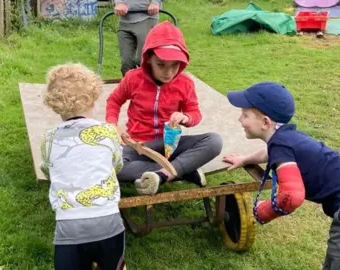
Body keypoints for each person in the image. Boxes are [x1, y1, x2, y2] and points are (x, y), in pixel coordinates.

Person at [222, 82, 340, 270]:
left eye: (245, 115)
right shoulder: (285, 139)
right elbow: (269, 153)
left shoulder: (282, 145)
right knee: (338, 262)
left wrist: (264, 211)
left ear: (265, 122)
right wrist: (245, 159)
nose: (240, 119)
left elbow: (291, 196)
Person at [106, 21, 223, 195]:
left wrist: (186, 118)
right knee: (112, 166)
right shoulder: (133, 79)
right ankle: (180, 170)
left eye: (174, 65)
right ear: (149, 58)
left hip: (170, 146)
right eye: (161, 64)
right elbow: (114, 101)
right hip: (138, 145)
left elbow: (194, 113)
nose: (168, 72)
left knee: (214, 141)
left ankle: (164, 173)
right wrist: (112, 124)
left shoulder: (185, 83)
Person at [41, 63, 126, 270]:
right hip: (108, 221)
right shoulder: (108, 132)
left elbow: (47, 170)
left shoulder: (49, 138)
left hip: (69, 226)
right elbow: (118, 164)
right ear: (93, 98)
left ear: (54, 104)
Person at [114, 0, 162, 76]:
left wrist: (155, 2)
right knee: (126, 63)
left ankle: (150, 85)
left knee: (143, 60)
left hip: (146, 17)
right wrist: (119, 3)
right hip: (125, 20)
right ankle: (130, 85)